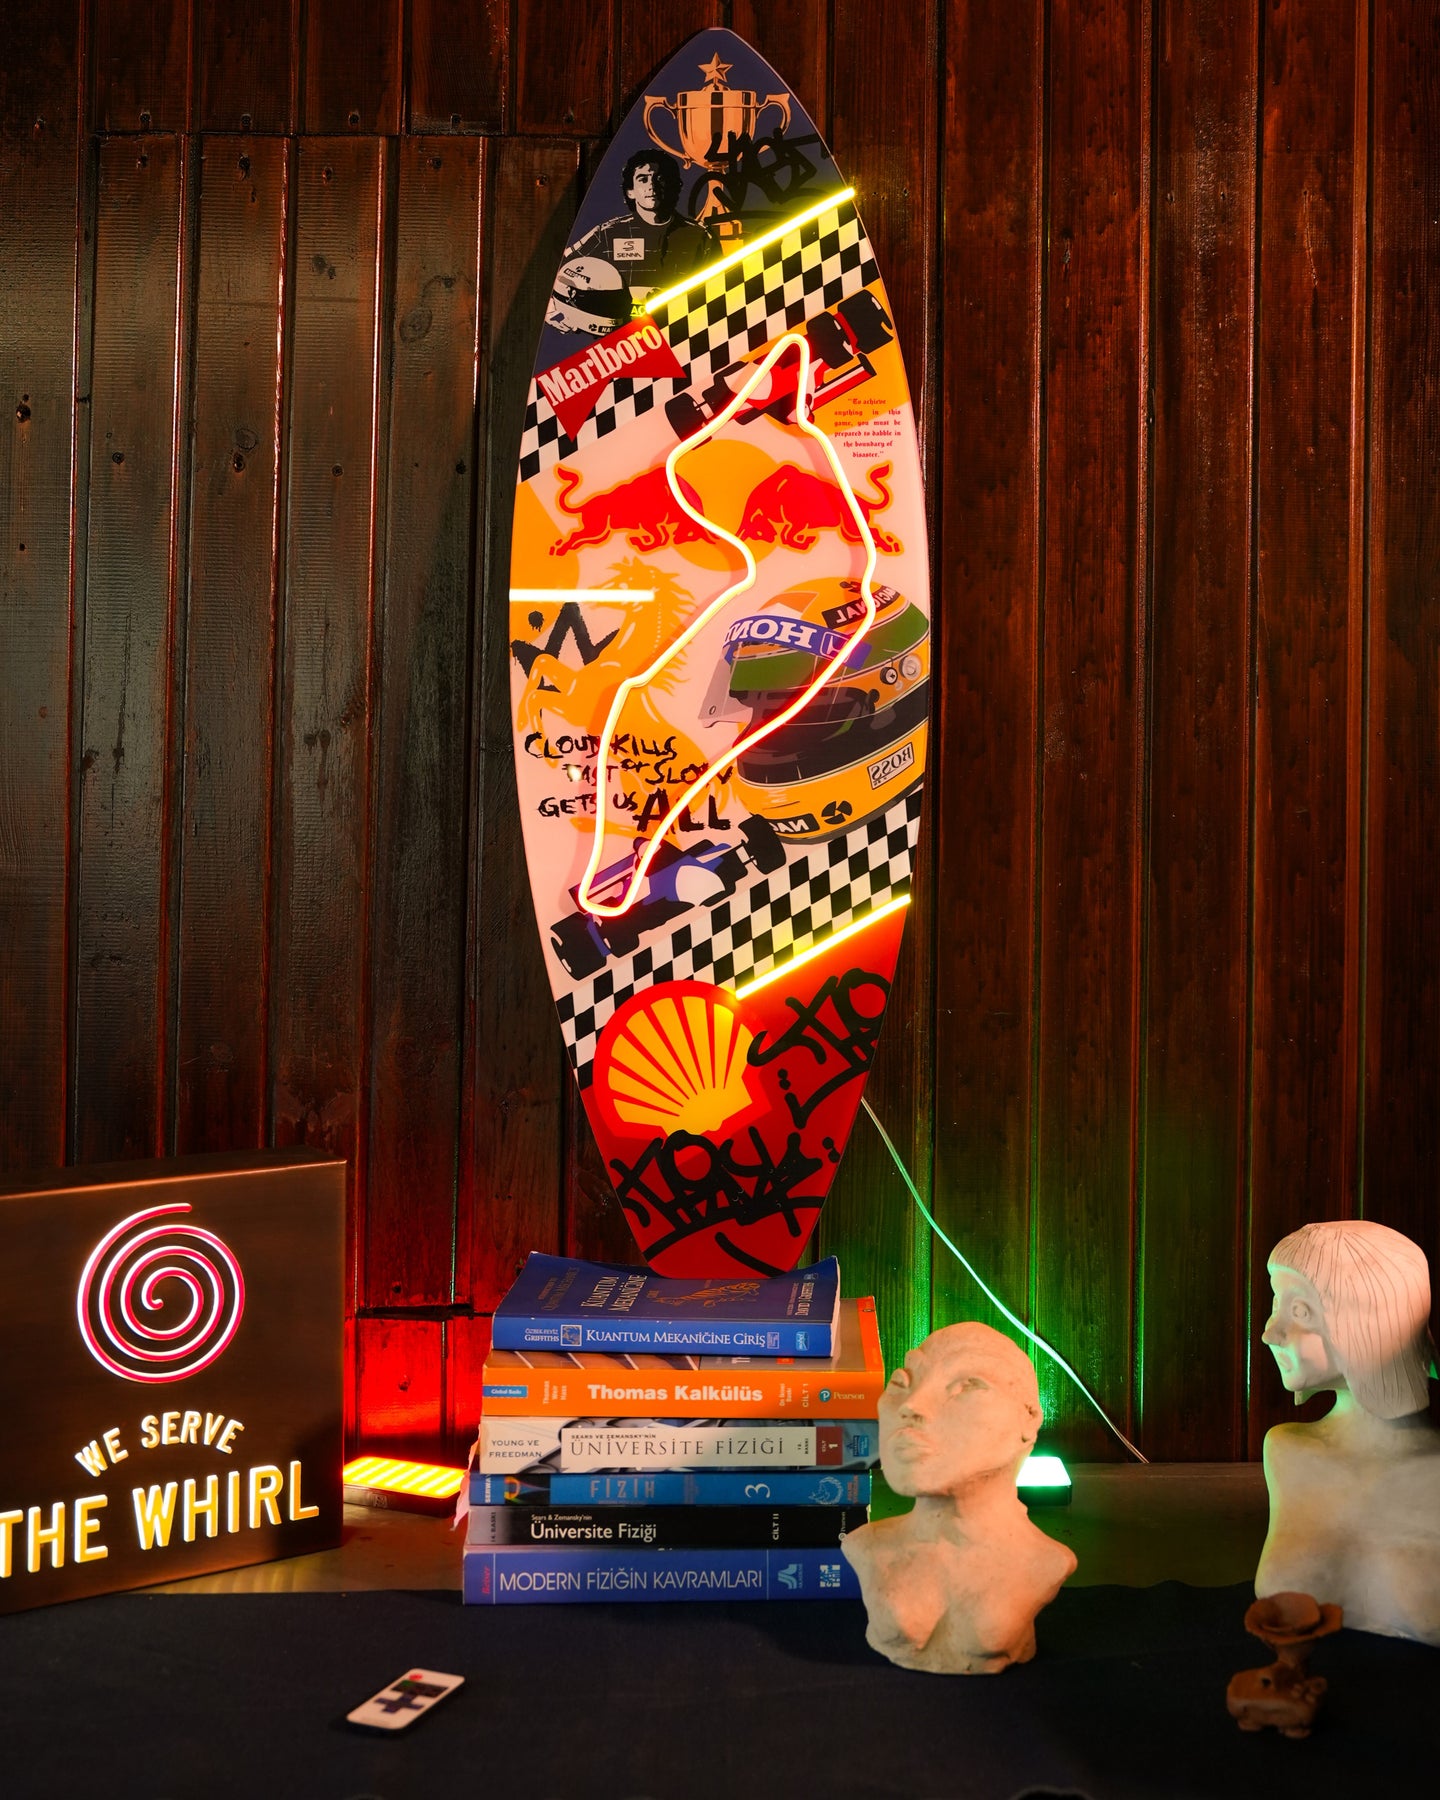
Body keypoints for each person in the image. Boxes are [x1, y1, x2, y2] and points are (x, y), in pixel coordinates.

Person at [842, 1322, 1076, 1673]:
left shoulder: (1048, 1562)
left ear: (1029, 1419)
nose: (911, 1405)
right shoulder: (865, 1547)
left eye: (967, 1385)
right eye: (900, 1383)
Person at [1257, 1218, 1440, 1644]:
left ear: (1371, 1325)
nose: (1269, 1333)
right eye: (1276, 1303)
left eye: (1300, 1312)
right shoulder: (1285, 1451)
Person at [568, 150, 714, 306]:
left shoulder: (700, 235)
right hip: (624, 322)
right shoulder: (608, 233)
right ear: (630, 191)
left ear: (674, 185)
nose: (651, 186)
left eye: (660, 178)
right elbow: (566, 269)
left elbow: (719, 291)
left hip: (681, 321)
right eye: (643, 179)